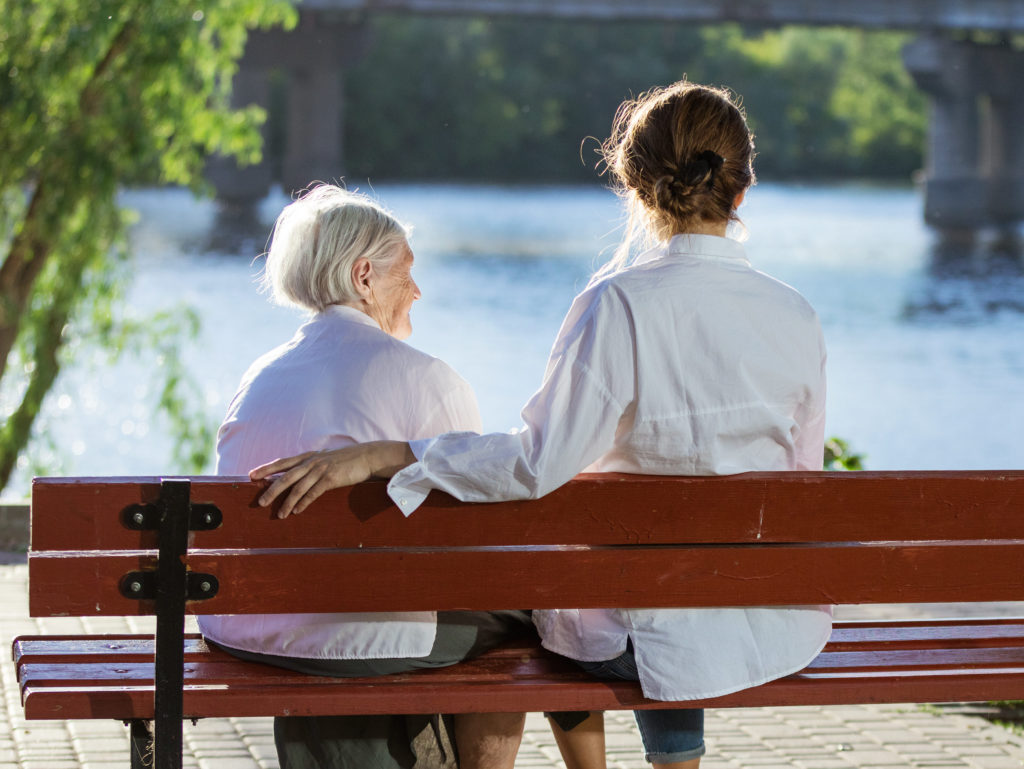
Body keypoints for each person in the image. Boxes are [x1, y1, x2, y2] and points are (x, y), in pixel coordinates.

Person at [251, 82, 832, 769]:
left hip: (638, 633)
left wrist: (390, 454)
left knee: (561, 591)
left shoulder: (617, 304)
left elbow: (537, 464)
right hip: (764, 623)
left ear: (637, 188)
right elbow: (803, 476)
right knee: (675, 577)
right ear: (742, 190)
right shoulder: (796, 313)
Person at [197, 184, 532, 769]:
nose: (418, 291)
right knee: (535, 615)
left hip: (244, 627)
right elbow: (476, 542)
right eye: (407, 273)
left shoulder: (260, 379)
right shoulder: (426, 377)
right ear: (364, 276)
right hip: (365, 636)